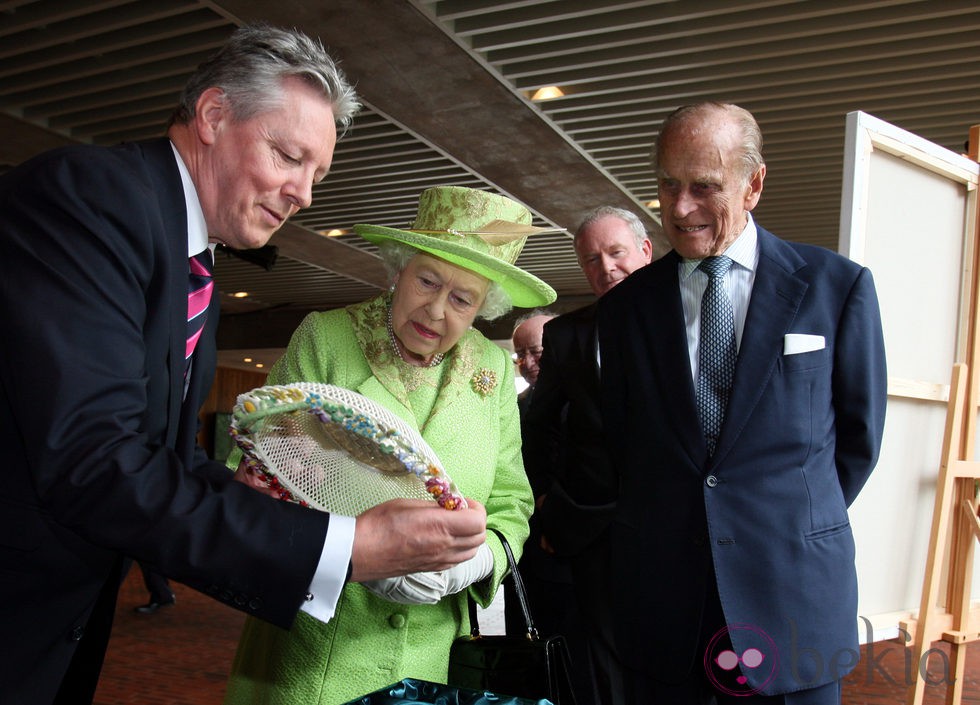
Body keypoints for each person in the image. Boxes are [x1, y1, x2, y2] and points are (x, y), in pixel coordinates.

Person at [0, 26, 487, 705]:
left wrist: (256, 500)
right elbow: (94, 460)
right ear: (213, 116)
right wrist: (342, 546)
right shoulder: (89, 198)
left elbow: (157, 457)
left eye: (317, 175)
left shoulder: (194, 261)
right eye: (290, 157)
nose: (304, 194)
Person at [597, 102, 887, 704]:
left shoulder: (837, 287)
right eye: (667, 185)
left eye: (705, 187)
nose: (680, 209)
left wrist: (781, 517)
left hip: (793, 600)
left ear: (754, 184)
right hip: (667, 609)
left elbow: (858, 442)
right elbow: (624, 443)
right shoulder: (627, 308)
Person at [223, 185, 555, 704]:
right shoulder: (326, 338)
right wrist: (353, 553)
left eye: (462, 299)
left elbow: (513, 504)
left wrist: (468, 566)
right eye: (427, 281)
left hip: (426, 658)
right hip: (312, 647)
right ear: (398, 269)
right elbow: (260, 470)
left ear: (481, 310)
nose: (436, 310)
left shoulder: (491, 369)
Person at [522, 205, 652, 705]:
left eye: (615, 252)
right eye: (591, 260)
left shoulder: (691, 319)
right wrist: (550, 509)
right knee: (602, 666)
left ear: (644, 250)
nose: (605, 268)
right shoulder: (566, 334)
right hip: (591, 531)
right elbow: (538, 428)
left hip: (676, 527)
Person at [510, 310, 555, 413]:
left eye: (536, 352)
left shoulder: (593, 398)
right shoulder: (514, 408)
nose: (527, 363)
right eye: (520, 354)